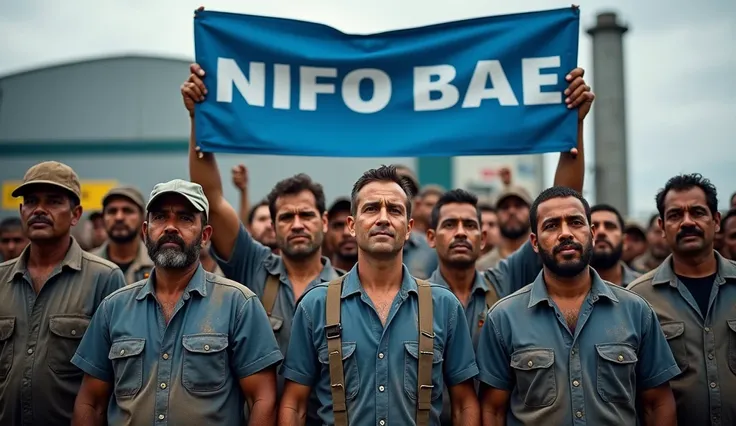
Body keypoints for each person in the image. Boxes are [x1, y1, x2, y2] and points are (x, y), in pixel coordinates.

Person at [278, 165, 481, 426]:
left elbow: (465, 405)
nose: (383, 219)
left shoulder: (444, 306)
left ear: (409, 228)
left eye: (394, 210)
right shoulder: (315, 306)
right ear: (351, 225)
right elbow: (294, 405)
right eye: (371, 208)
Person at [70, 179, 282, 426]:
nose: (171, 227)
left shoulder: (239, 304)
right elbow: (90, 402)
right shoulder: (113, 307)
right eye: (160, 217)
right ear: (145, 231)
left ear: (205, 235)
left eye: (185, 218)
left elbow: (262, 399)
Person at [477, 186, 679, 426]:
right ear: (534, 241)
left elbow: (658, 404)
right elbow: (492, 410)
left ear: (592, 233)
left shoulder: (636, 311)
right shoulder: (503, 318)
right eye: (551, 226)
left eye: (575, 222)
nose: (565, 233)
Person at [0, 161, 125, 426]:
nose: (39, 210)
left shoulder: (104, 278)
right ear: (22, 211)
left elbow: (115, 378)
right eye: (31, 201)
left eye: (54, 201)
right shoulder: (1, 279)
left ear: (76, 214)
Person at [628, 173, 736, 426]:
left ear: (716, 221)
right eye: (675, 215)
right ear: (662, 226)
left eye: (697, 212)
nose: (687, 222)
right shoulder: (638, 299)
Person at [426, 189, 500, 426]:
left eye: (469, 225)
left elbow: (560, 198)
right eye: (449, 224)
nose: (460, 233)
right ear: (430, 237)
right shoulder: (415, 301)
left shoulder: (502, 285)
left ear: (483, 238)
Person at [91, 186, 154, 284]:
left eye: (127, 211)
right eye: (112, 211)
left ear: (143, 218)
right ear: (103, 218)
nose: (119, 217)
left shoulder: (157, 265)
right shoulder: (88, 265)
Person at [476, 186, 533, 270]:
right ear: (496, 215)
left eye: (518, 206)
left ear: (531, 212)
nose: (511, 211)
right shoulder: (482, 268)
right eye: (505, 207)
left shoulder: (545, 262)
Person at [590, 203, 641, 286]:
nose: (601, 232)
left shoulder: (643, 288)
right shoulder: (566, 288)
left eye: (610, 226)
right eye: (593, 227)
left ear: (624, 241)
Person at [324, 197, 356, 273]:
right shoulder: (315, 282)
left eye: (353, 225)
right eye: (338, 225)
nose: (346, 233)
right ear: (326, 230)